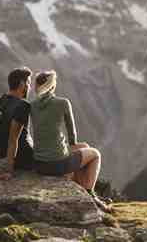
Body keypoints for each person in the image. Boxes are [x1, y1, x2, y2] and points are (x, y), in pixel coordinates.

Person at [30, 70, 111, 212]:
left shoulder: (33, 105)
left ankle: (82, 191)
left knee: (83, 147)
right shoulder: (63, 103)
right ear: (53, 86)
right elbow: (72, 135)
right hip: (57, 164)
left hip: (40, 164)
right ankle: (90, 194)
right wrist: (72, 144)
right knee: (94, 153)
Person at [0, 67, 34, 181]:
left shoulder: (3, 100)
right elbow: (13, 139)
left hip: (14, 158)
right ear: (22, 84)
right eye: (29, 83)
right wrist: (9, 172)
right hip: (27, 158)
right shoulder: (23, 105)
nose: (29, 87)